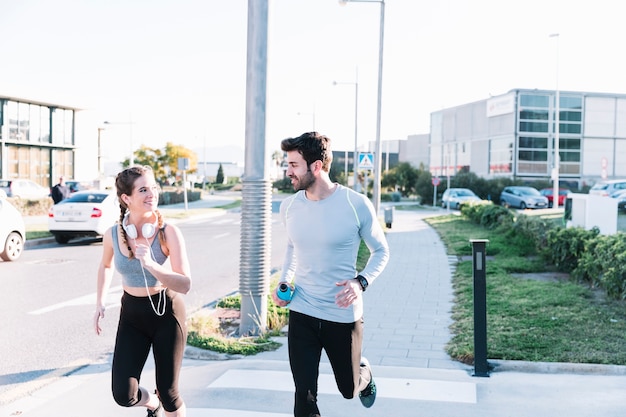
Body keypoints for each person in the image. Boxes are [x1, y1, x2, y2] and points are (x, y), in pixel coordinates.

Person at [272, 132, 390, 417]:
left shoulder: (355, 204)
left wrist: (360, 282)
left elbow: (381, 251)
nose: (288, 171)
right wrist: (285, 281)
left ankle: (365, 374)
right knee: (304, 396)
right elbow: (292, 248)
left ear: (316, 166)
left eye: (294, 165)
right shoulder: (289, 207)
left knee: (348, 389)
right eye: (287, 164)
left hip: (342, 313)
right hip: (303, 311)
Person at [94, 166, 191, 417]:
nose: (152, 194)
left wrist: (152, 265)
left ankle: (164, 404)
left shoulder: (168, 232)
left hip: (167, 314)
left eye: (154, 188)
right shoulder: (113, 234)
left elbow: (185, 284)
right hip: (132, 315)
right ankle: (152, 405)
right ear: (126, 198)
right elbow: (105, 266)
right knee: (123, 394)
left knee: (169, 393)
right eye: (144, 189)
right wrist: (100, 302)